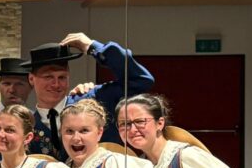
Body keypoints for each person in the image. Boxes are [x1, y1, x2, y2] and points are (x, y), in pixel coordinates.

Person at [24, 33, 155, 160]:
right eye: (48, 77)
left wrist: (93, 47)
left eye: (62, 77)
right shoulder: (27, 125)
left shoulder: (95, 99)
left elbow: (141, 80)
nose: (56, 84)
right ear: (31, 79)